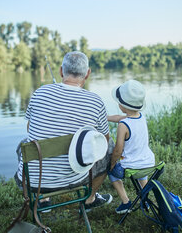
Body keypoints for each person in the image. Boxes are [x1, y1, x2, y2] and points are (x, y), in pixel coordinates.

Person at [15, 51, 113, 211]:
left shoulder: (39, 93)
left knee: (24, 144)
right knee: (109, 147)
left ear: (61, 71)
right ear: (87, 74)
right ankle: (90, 198)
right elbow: (105, 139)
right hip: (77, 178)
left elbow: (29, 128)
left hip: (33, 181)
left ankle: (43, 198)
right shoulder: (96, 101)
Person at [107, 79, 155, 214]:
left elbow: (118, 150)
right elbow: (120, 118)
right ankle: (145, 200)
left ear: (123, 106)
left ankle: (125, 202)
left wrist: (112, 163)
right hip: (148, 164)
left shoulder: (123, 126)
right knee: (140, 169)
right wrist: (106, 117)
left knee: (111, 172)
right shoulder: (141, 117)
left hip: (132, 167)